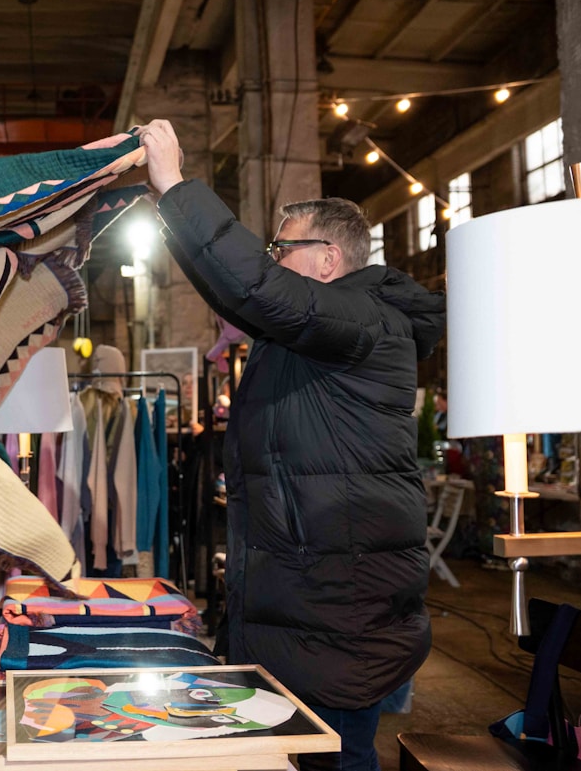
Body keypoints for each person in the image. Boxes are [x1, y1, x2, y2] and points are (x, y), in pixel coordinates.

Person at [140, 119, 446, 771]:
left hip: (338, 624)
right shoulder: (319, 333)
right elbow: (243, 291)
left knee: (336, 759)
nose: (273, 257)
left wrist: (176, 185)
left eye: (283, 246)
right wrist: (170, 214)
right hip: (311, 614)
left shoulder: (366, 318)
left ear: (330, 260)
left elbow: (257, 288)